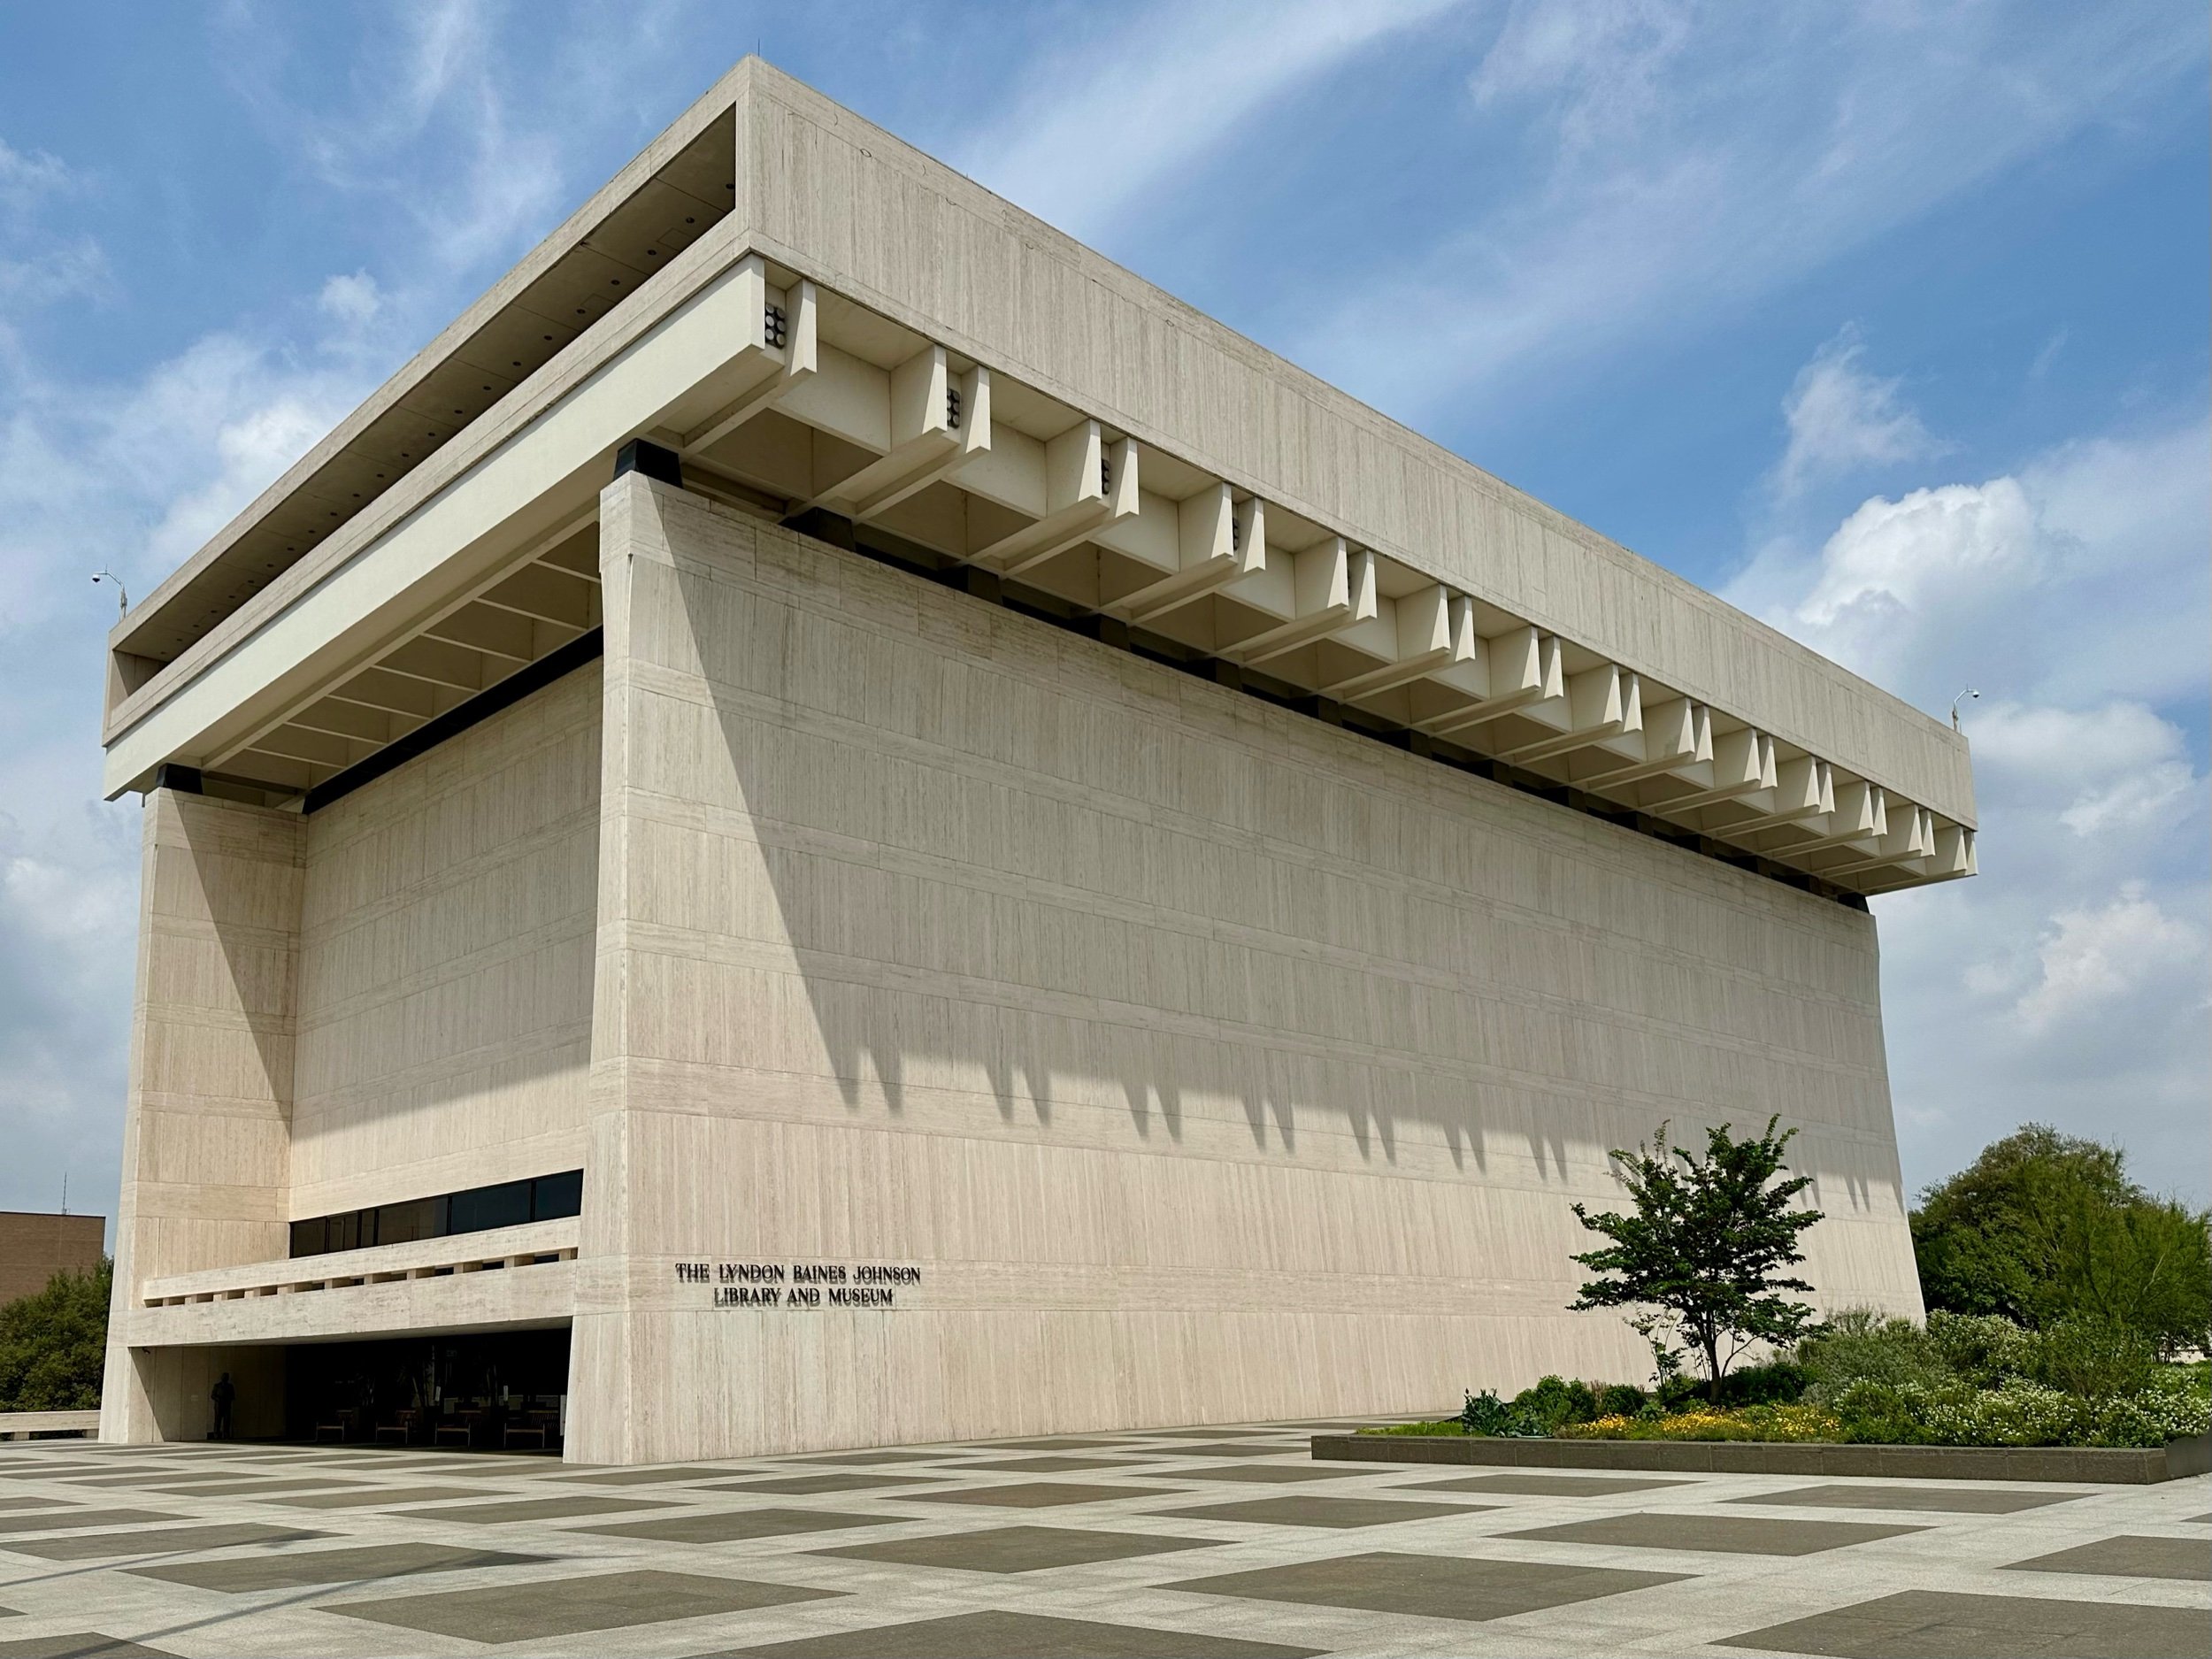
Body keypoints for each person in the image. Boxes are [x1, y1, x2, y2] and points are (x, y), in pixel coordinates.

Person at [209, 1372, 235, 1440]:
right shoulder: (217, 1386)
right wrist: (218, 1399)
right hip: (219, 1406)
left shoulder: (230, 1386)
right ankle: (216, 1435)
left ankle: (226, 1435)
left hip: (227, 1406)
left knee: (227, 1421)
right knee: (218, 1421)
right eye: (224, 1377)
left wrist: (228, 1399)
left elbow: (233, 1396)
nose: (225, 1378)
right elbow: (212, 1395)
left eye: (226, 1377)